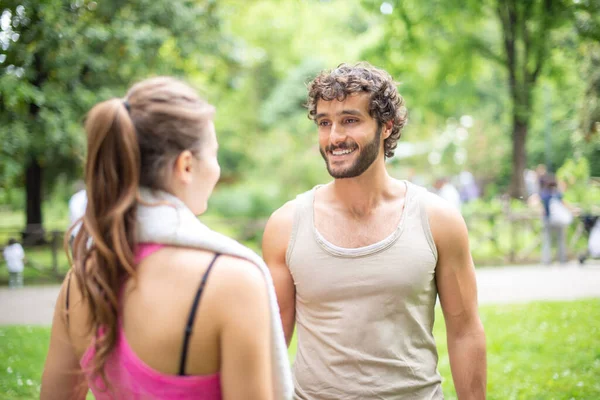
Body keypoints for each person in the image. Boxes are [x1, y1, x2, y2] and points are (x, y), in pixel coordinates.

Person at [41, 77, 274, 400]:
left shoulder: (81, 279)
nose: (217, 170)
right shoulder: (232, 282)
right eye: (215, 155)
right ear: (186, 166)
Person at [263, 63, 486, 399]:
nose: (335, 136)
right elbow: (272, 344)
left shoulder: (438, 220)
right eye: (325, 123)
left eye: (350, 120)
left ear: (386, 126)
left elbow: (465, 331)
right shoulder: (286, 226)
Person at [539, 174, 571, 265]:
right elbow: (564, 204)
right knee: (561, 239)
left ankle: (546, 260)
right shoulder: (557, 194)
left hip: (548, 220)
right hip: (559, 220)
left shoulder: (544, 194)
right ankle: (562, 259)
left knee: (547, 240)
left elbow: (541, 207)